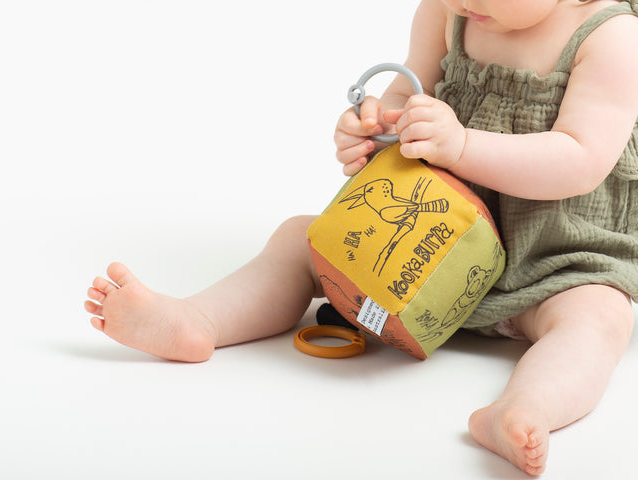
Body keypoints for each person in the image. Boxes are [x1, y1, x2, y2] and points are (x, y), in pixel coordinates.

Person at [85, 0, 638, 475]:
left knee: (601, 316)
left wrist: (463, 147)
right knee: (300, 239)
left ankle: (525, 408)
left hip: (553, 263)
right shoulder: (448, 15)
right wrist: (372, 133)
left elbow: (580, 159)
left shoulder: (611, 38)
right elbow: (403, 104)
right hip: (418, 255)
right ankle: (198, 321)